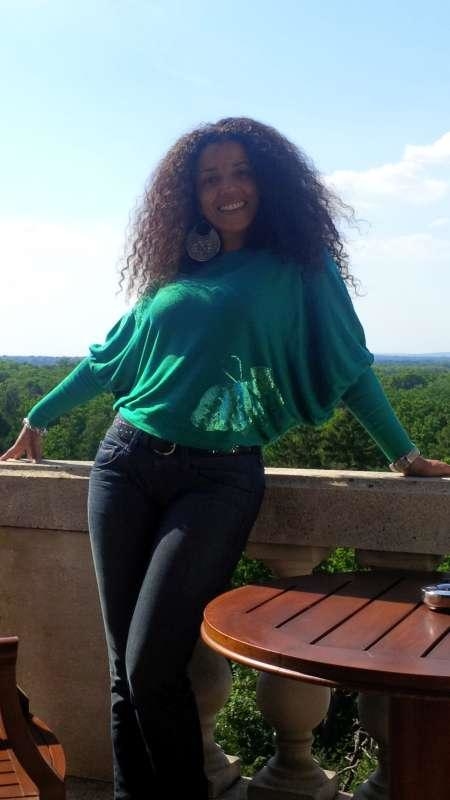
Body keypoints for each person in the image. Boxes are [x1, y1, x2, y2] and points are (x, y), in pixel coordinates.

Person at [2, 116, 450, 800]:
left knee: (153, 665)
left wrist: (405, 453)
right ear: (191, 193)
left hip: (219, 478)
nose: (226, 188)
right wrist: (38, 416)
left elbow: (349, 367)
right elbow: (109, 359)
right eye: (210, 177)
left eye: (241, 172)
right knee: (124, 671)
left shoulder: (300, 266)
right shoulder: (177, 266)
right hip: (125, 462)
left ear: (268, 182)